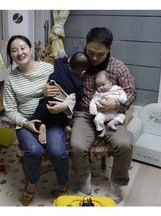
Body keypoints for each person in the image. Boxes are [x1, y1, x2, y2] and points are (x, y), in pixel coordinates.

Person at [3, 35, 74, 206]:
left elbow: (70, 92)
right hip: (26, 120)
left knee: (58, 151)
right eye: (14, 50)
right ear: (10, 55)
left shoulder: (48, 68)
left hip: (52, 117)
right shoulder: (10, 79)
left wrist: (64, 107)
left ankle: (63, 185)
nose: (19, 53)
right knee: (34, 151)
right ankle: (31, 185)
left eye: (23, 48)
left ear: (30, 48)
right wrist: (25, 123)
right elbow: (10, 110)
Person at [69, 27, 136, 204]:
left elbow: (131, 94)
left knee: (124, 144)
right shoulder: (77, 62)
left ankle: (117, 183)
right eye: (91, 52)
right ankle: (84, 178)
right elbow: (62, 81)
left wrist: (116, 104)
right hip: (84, 114)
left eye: (100, 54)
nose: (94, 58)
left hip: (112, 115)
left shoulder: (118, 67)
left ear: (110, 48)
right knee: (76, 146)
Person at [31, 52, 89, 144]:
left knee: (36, 117)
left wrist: (66, 59)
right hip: (61, 106)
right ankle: (66, 126)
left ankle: (40, 125)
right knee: (64, 117)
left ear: (69, 62)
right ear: (83, 72)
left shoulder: (60, 67)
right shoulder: (78, 82)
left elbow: (58, 60)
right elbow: (80, 96)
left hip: (47, 101)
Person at [89, 70, 127, 137]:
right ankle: (102, 129)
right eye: (98, 86)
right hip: (103, 113)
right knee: (97, 119)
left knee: (122, 116)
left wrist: (122, 98)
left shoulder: (116, 88)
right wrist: (93, 109)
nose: (101, 87)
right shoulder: (98, 93)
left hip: (115, 112)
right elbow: (93, 100)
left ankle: (112, 123)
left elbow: (122, 93)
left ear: (111, 82)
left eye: (103, 84)